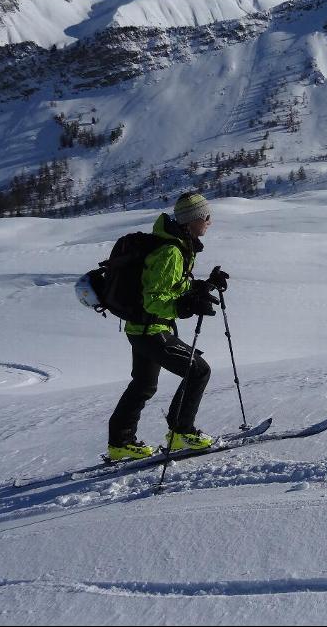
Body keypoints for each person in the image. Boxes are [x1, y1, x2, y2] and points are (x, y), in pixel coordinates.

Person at [107, 192, 231, 461]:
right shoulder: (171, 251)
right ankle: (180, 431)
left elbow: (174, 285)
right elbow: (154, 299)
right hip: (151, 330)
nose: (210, 220)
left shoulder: (177, 244)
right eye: (206, 216)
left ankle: (120, 443)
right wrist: (183, 307)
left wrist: (204, 285)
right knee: (198, 371)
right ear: (192, 220)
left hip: (141, 329)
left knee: (143, 384)